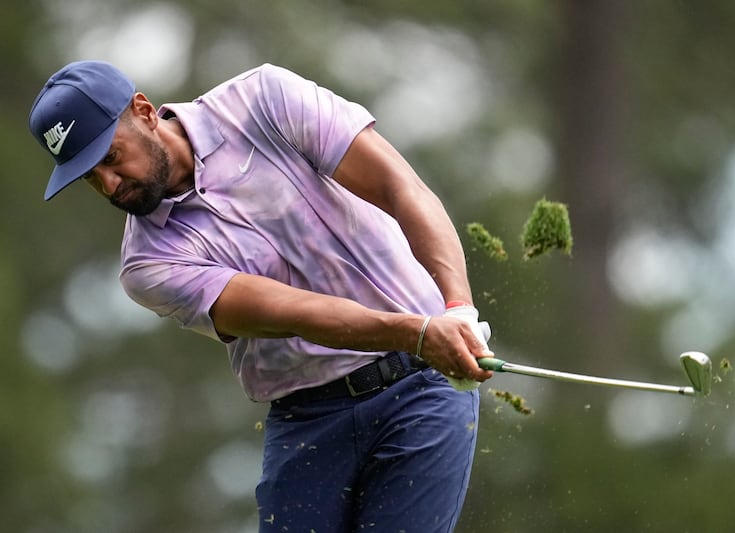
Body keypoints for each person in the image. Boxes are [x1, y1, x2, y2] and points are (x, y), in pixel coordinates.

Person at [29, 60, 495, 532]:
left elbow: (400, 188)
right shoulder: (147, 265)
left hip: (420, 389)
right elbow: (295, 313)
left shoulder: (264, 100)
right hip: (309, 422)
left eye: (110, 158)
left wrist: (457, 310)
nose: (109, 185)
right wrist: (417, 332)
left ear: (145, 111)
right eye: (89, 177)